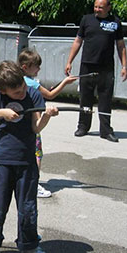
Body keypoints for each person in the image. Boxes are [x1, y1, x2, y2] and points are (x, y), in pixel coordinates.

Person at [0, 60, 59, 253]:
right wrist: (1, 113)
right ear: (3, 91)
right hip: (3, 160)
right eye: (16, 93)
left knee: (28, 207)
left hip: (27, 161)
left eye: (22, 88)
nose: (21, 94)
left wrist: (47, 116)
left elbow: (36, 127)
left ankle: (29, 246)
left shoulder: (33, 94)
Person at [65, 0, 127, 142]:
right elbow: (77, 41)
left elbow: (121, 46)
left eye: (100, 7)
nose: (97, 10)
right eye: (95, 6)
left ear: (108, 8)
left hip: (106, 67)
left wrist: (124, 65)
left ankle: (106, 131)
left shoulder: (115, 22)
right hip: (87, 65)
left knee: (105, 99)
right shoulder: (86, 20)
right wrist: (69, 61)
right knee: (86, 97)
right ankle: (83, 126)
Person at [18, 48, 77, 198]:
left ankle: (25, 181)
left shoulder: (18, 79)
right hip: (34, 123)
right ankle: (33, 184)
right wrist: (65, 82)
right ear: (26, 67)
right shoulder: (30, 82)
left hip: (21, 125)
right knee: (37, 154)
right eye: (36, 66)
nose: (39, 69)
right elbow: (50, 95)